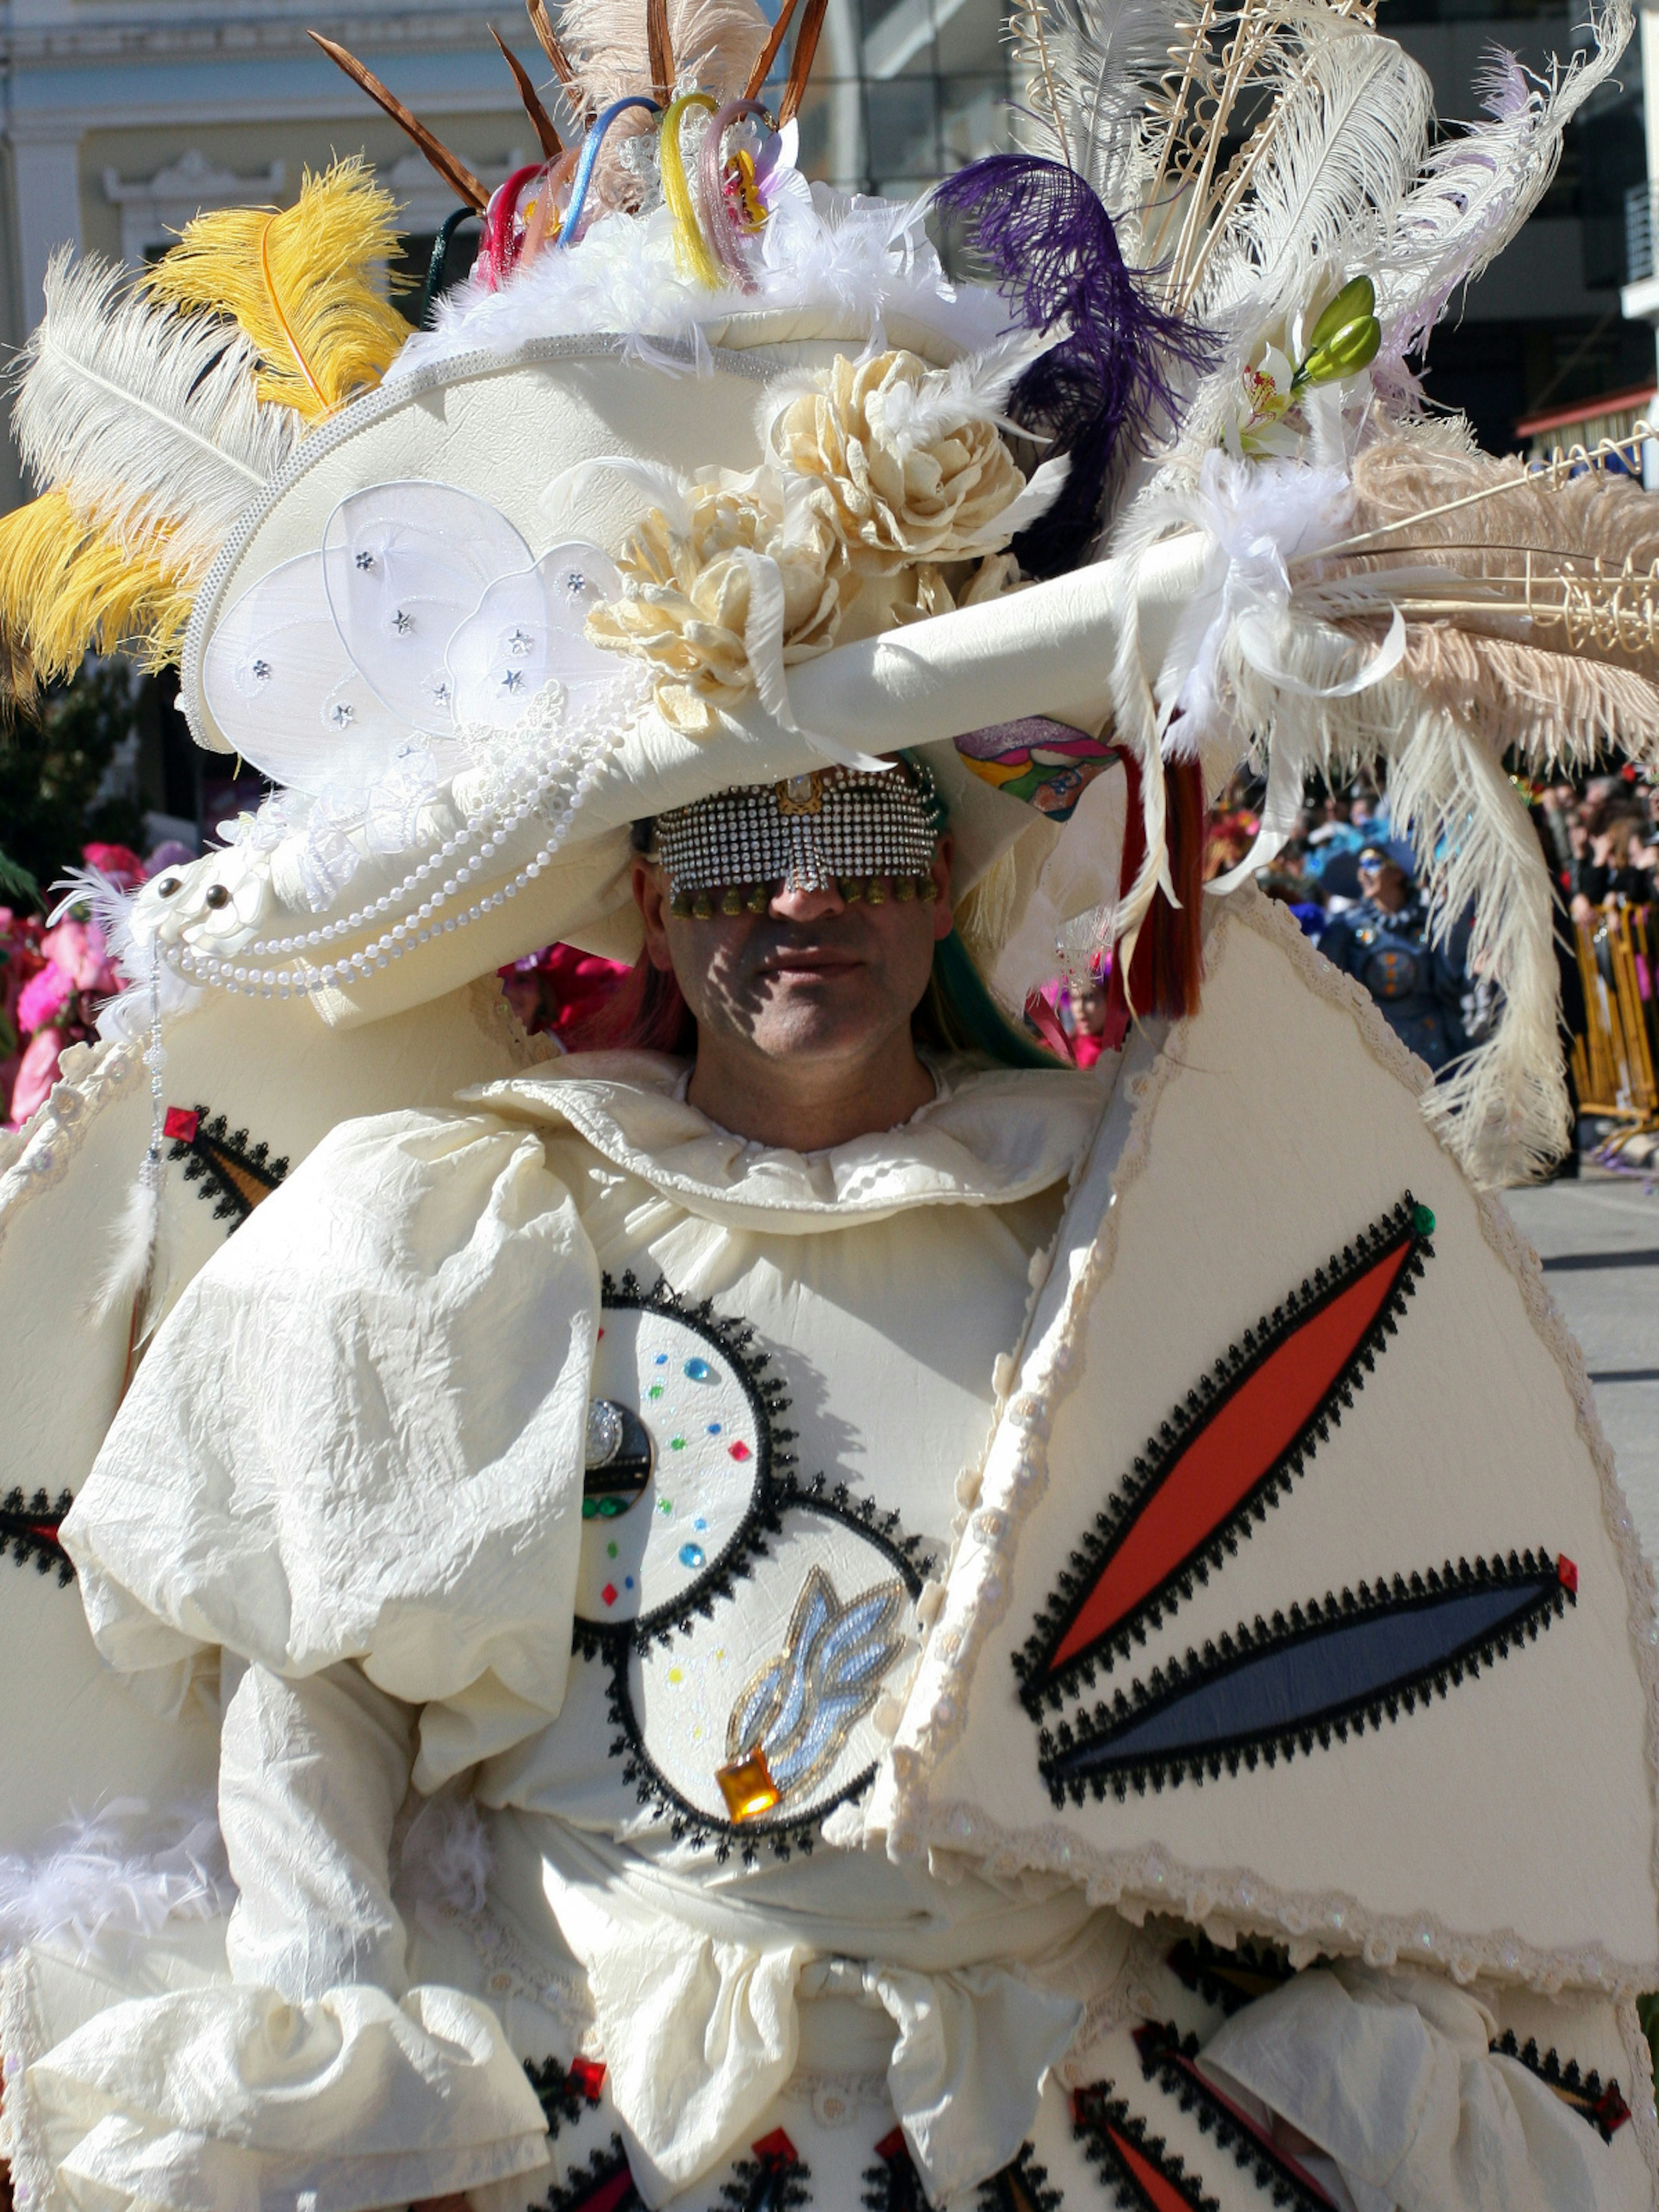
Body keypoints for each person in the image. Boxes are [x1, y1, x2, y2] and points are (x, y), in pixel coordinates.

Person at [3, 0, 1659, 2205]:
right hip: (623, 2108)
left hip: (1072, 2127)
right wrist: (335, 1993)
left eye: (876, 833)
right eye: (734, 843)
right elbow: (313, 1681)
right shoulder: (462, 1227)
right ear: (643, 896)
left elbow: (1362, 1696)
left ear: (956, 875)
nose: (806, 899)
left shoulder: (1124, 1221)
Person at [1316, 846, 1471, 1072]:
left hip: (1431, 1043)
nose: (1363, 874)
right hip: (1374, 1043)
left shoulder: (1429, 923)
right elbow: (1325, 982)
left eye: (1372, 864)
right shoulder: (1345, 929)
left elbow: (1452, 980)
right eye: (1361, 867)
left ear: (1397, 872)